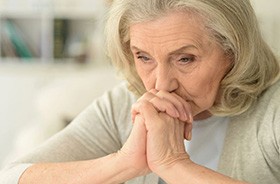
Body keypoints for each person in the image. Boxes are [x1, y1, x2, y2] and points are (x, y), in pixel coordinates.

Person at [1, 0, 280, 183]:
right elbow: (12, 177)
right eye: (144, 57)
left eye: (185, 59)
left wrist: (173, 164)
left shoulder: (273, 109)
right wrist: (123, 164)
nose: (161, 85)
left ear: (233, 51)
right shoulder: (124, 103)